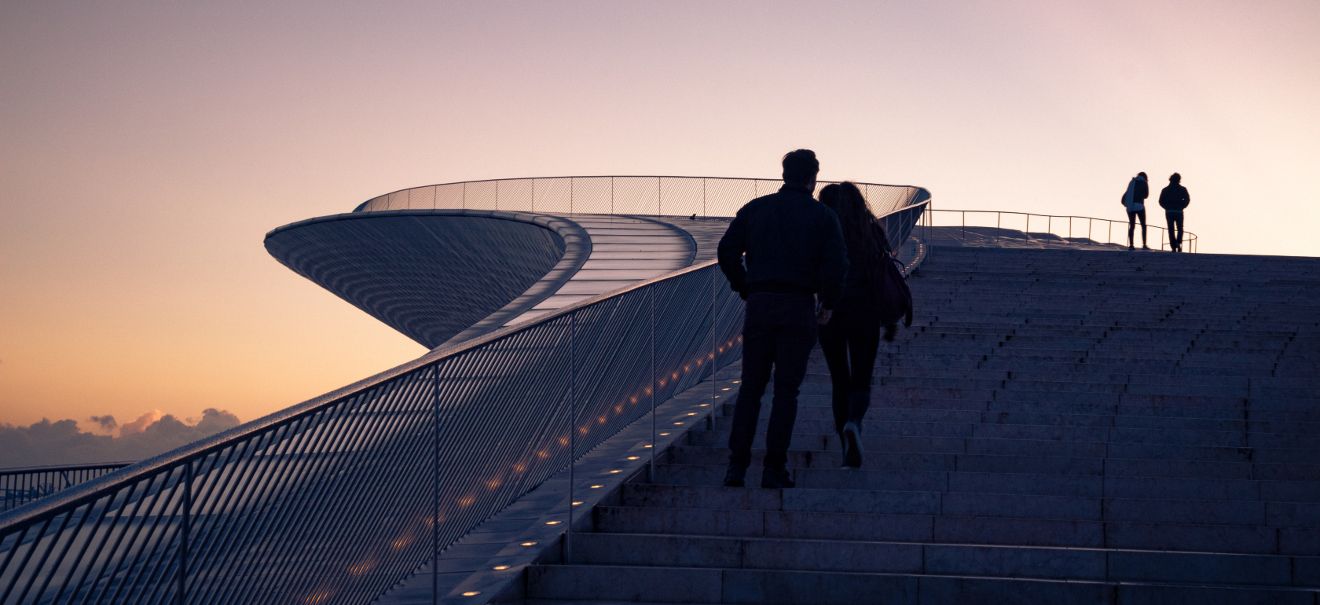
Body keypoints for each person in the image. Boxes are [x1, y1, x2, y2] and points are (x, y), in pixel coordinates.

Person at [717, 149, 848, 489]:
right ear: (812, 178)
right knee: (786, 393)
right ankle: (774, 468)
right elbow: (837, 265)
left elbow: (726, 250)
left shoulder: (756, 209)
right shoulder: (822, 216)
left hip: (760, 304)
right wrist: (828, 303)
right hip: (798, 305)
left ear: (784, 173)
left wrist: (745, 286)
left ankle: (736, 466)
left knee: (751, 389)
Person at [818, 182, 891, 469]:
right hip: (866, 313)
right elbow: (882, 274)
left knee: (840, 379)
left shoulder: (823, 233)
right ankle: (854, 423)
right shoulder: (871, 233)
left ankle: (844, 443)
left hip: (831, 312)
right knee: (861, 377)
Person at [1159, 173, 1191, 252]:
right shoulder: (1183, 189)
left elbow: (1161, 201)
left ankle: (1173, 246)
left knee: (1171, 229)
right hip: (1179, 212)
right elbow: (1187, 199)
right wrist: (1182, 206)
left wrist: (1166, 207)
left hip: (1169, 212)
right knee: (1180, 228)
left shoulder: (1165, 189)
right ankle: (1178, 243)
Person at [1122, 172, 1150, 250]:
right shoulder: (1144, 183)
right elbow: (1146, 195)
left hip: (1130, 206)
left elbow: (1126, 194)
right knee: (1143, 225)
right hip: (1139, 205)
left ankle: (1131, 245)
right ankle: (1144, 244)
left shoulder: (1132, 182)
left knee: (1132, 226)